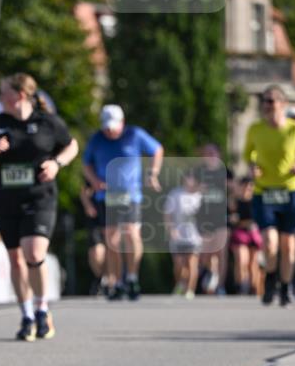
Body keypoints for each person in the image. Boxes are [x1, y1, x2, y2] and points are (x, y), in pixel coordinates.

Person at [0, 72, 78, 340]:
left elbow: (71, 145)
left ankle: (42, 309)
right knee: (16, 260)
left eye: (2, 92)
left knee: (34, 251)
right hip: (7, 199)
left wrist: (57, 164)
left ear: (19, 95)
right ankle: (27, 314)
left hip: (40, 197)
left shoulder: (47, 122)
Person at [82, 104, 163, 301]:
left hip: (130, 194)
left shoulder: (134, 134)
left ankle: (132, 277)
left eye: (113, 127)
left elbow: (157, 149)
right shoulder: (97, 139)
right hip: (106, 196)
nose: (110, 131)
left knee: (132, 233)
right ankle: (117, 281)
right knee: (112, 240)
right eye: (106, 127)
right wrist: (94, 181)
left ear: (122, 123)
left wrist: (152, 173)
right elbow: (86, 164)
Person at [243, 84, 295, 306]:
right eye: (265, 101)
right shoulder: (255, 129)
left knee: (288, 245)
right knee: (269, 241)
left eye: (272, 101)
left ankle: (285, 287)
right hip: (264, 191)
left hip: (291, 190)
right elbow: (249, 154)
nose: (268, 105)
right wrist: (252, 167)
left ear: (283, 104)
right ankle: (271, 278)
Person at [194, 143, 233, 296]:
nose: (209, 155)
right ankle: (208, 274)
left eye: (212, 152)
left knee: (221, 252)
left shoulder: (226, 171)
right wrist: (197, 188)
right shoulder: (198, 171)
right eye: (207, 152)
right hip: (203, 217)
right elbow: (189, 188)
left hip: (221, 216)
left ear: (219, 154)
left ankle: (220, 286)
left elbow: (234, 188)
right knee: (205, 253)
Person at [164, 170, 203, 299]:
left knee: (192, 262)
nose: (190, 180)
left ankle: (190, 290)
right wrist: (171, 229)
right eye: (188, 176)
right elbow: (168, 214)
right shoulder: (175, 194)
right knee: (179, 264)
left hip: (195, 236)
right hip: (178, 235)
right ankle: (180, 284)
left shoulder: (200, 195)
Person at [228, 176, 263, 295]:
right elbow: (233, 218)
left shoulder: (257, 201)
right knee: (241, 260)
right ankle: (240, 287)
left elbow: (260, 220)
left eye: (250, 186)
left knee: (253, 263)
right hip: (240, 233)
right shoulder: (234, 201)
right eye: (245, 185)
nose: (247, 188)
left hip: (254, 234)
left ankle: (254, 289)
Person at [79, 182, 106, 295]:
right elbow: (83, 191)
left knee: (112, 249)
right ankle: (101, 278)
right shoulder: (93, 168)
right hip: (95, 215)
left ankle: (114, 280)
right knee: (95, 252)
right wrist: (87, 204)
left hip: (112, 211)